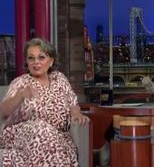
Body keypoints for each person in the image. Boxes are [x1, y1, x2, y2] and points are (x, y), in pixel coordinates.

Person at [0, 37, 90, 166]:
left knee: (52, 141)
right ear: (27, 62)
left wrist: (75, 113)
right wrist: (20, 96)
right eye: (31, 58)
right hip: (22, 134)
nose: (36, 62)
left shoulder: (59, 79)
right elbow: (3, 112)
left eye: (41, 57)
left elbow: (72, 102)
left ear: (51, 61)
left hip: (58, 137)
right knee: (42, 129)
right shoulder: (21, 82)